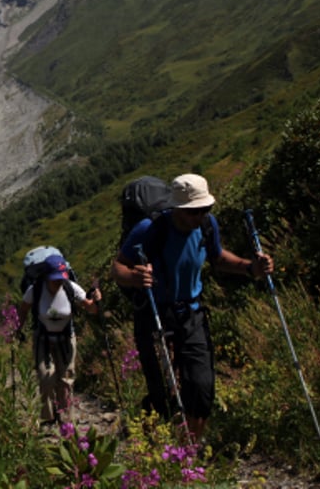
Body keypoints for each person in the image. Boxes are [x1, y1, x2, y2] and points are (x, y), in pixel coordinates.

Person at [110, 173, 273, 439]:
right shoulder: (149, 229)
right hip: (154, 314)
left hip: (192, 314)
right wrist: (134, 278)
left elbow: (217, 258)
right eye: (193, 212)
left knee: (201, 385)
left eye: (205, 210)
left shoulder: (208, 225)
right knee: (163, 389)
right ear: (176, 208)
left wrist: (250, 268)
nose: (200, 217)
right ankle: (165, 442)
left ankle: (189, 451)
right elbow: (117, 268)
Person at [18, 253, 101, 425]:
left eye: (60, 278)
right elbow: (24, 309)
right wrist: (17, 329)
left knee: (65, 379)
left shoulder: (71, 288)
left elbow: (91, 308)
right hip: (43, 339)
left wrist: (97, 300)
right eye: (54, 279)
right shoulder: (36, 289)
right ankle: (48, 418)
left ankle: (65, 418)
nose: (57, 282)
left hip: (65, 338)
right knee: (46, 378)